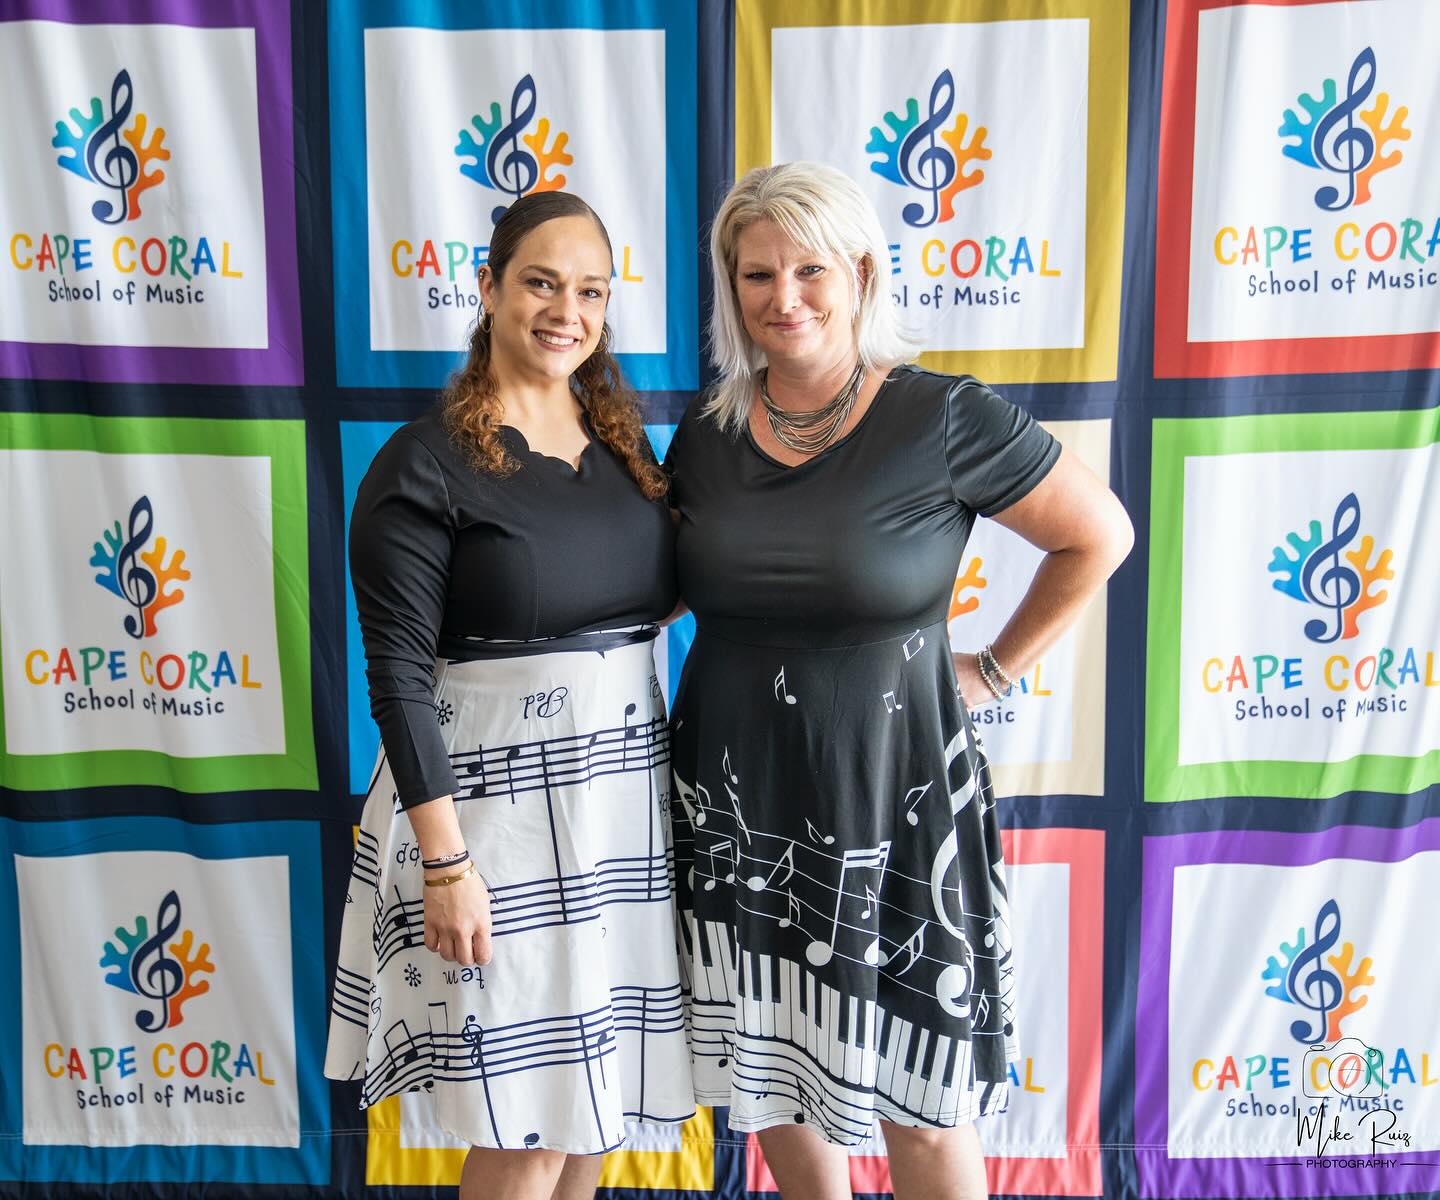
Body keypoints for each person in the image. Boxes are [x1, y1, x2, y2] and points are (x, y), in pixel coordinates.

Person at [664, 162, 1133, 1200]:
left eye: (809, 269)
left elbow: (1100, 536)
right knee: (772, 1073)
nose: (783, 297)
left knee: (922, 1096)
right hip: (737, 794)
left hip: (896, 794)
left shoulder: (942, 417)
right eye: (755, 275)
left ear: (864, 272)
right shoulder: (705, 436)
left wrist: (997, 667)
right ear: (729, 288)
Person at [325, 191, 695, 1200]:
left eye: (590, 291)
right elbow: (398, 677)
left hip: (619, 806)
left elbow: (637, 612)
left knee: (592, 1118)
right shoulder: (423, 463)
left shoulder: (622, 445)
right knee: (526, 1126)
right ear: (487, 288)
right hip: (490, 825)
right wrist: (446, 865)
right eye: (540, 281)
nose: (564, 310)